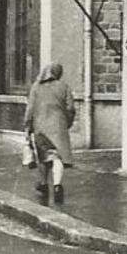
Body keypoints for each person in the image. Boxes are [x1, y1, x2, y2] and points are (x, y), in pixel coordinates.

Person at [24, 62, 76, 204]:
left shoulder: (36, 87)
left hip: (40, 126)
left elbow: (30, 110)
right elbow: (70, 108)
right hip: (59, 125)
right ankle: (57, 186)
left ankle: (44, 184)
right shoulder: (64, 86)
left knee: (43, 156)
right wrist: (67, 122)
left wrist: (27, 126)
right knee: (57, 156)